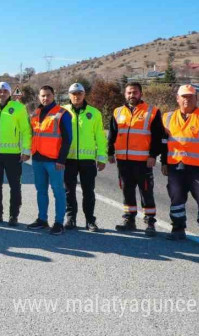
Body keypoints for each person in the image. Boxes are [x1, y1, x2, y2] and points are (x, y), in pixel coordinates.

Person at [160, 84, 199, 248]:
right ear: (177, 98)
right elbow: (163, 143)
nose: (187, 99)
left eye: (190, 96)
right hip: (175, 166)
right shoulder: (167, 117)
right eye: (184, 96)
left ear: (196, 98)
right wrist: (164, 162)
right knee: (176, 199)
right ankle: (178, 229)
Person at [108, 82, 163, 236]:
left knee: (146, 191)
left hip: (143, 161)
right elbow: (112, 134)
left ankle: (150, 222)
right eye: (129, 93)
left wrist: (153, 155)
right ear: (125, 94)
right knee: (127, 190)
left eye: (135, 92)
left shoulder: (152, 112)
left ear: (141, 94)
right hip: (123, 160)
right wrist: (110, 152)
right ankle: (129, 220)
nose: (132, 95)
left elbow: (157, 137)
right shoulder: (117, 112)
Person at [0, 82, 31, 226]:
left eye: (5, 91)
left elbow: (26, 131)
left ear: (9, 93)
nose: (2, 93)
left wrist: (26, 150)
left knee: (15, 186)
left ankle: (13, 215)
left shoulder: (19, 108)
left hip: (13, 154)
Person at [61, 83, 108, 232]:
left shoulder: (94, 113)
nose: (77, 96)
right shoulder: (62, 111)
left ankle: (90, 220)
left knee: (88, 191)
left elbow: (100, 137)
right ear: (69, 95)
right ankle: (71, 218)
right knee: (69, 191)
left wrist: (102, 157)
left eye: (79, 93)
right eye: (73, 93)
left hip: (87, 160)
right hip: (68, 159)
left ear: (84, 94)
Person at [27, 85, 72, 235]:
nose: (45, 98)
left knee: (58, 191)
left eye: (48, 95)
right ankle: (42, 219)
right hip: (38, 159)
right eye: (42, 95)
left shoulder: (62, 114)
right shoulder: (35, 113)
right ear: (39, 97)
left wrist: (61, 160)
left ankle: (59, 222)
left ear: (54, 96)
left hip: (54, 161)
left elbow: (67, 139)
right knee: (41, 191)